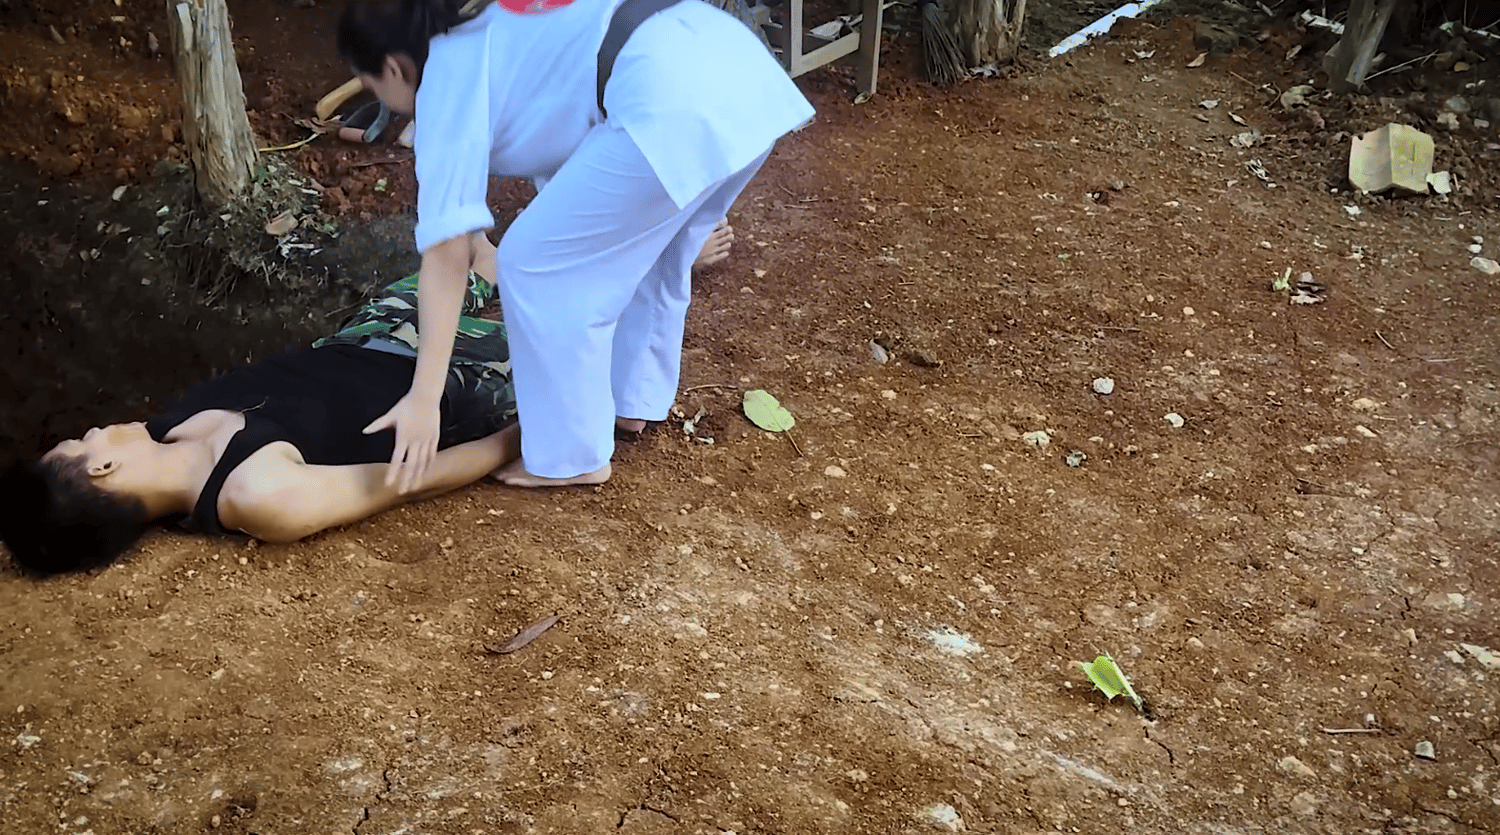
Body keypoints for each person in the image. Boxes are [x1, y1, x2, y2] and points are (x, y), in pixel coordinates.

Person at [336, 0, 814, 492]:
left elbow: (446, 254)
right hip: (734, 64)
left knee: (532, 265)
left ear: (395, 67)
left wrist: (423, 399)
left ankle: (570, 454)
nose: (382, 101)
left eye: (373, 87)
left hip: (670, 95)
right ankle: (633, 400)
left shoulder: (443, 79)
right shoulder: (492, 26)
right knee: (652, 250)